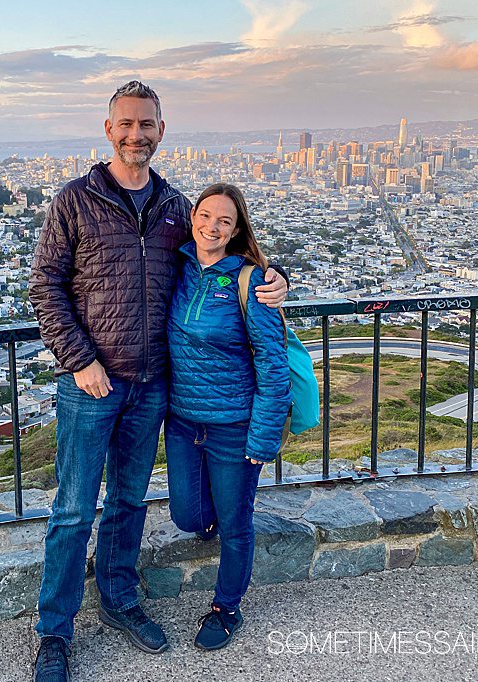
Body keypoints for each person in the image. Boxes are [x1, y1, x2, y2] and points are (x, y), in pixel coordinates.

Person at [29, 82, 287, 682]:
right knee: (71, 510)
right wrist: (80, 361)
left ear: (162, 131)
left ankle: (120, 600)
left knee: (128, 501)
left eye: (146, 124)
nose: (135, 134)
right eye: (125, 124)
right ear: (107, 128)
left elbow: (221, 254)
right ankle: (54, 635)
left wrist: (276, 280)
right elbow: (44, 288)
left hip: (152, 387)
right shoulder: (76, 200)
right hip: (90, 383)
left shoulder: (176, 206)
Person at [164, 182, 294, 651]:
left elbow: (272, 362)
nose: (211, 226)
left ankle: (226, 608)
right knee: (187, 514)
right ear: (191, 217)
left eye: (224, 220)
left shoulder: (250, 280)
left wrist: (262, 441)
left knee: (237, 521)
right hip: (181, 419)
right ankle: (219, 512)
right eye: (205, 215)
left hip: (233, 425)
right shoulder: (175, 265)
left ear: (237, 230)